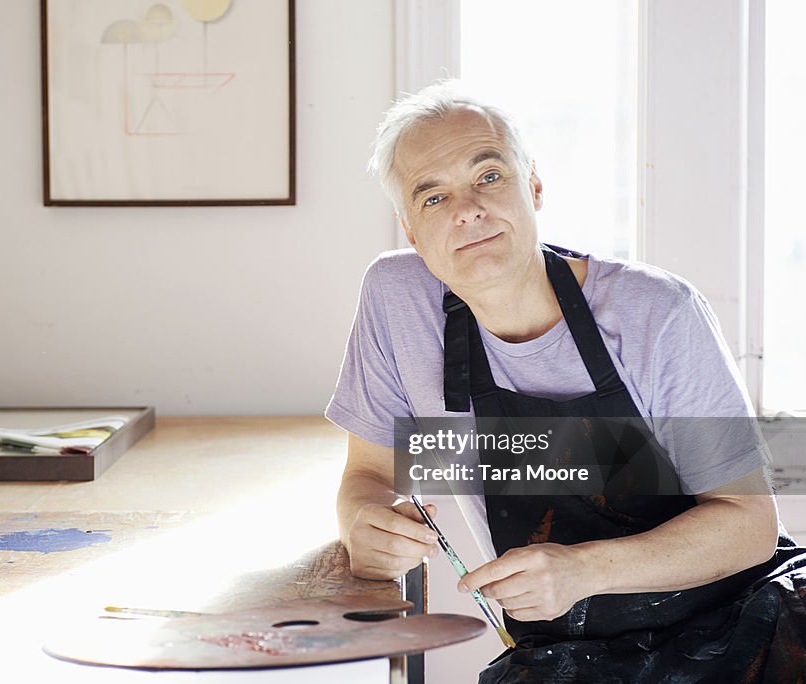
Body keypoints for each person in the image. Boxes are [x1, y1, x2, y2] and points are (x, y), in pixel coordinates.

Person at [327, 79, 806, 681]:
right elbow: (369, 476)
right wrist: (362, 524)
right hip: (569, 653)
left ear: (534, 184)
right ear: (411, 231)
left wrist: (583, 571)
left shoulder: (656, 313)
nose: (468, 208)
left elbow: (749, 525)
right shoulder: (400, 301)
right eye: (433, 197)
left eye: (489, 177)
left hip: (744, 622)